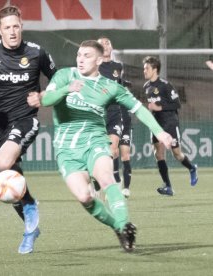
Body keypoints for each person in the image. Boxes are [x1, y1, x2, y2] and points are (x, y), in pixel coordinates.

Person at [27, 40, 173, 252]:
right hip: (66, 148)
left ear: (99, 59)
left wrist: (160, 132)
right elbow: (47, 99)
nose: (80, 59)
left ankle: (125, 225)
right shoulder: (64, 76)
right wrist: (67, 89)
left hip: (95, 141)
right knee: (84, 197)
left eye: (86, 55)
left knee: (106, 178)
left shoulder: (110, 87)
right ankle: (117, 226)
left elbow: (139, 108)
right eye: (79, 55)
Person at [0, 6, 57, 254]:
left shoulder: (36, 53)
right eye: (7, 27)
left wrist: (43, 96)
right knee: (8, 174)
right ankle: (30, 227)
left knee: (3, 163)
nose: (12, 31)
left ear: (22, 26)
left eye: (16, 26)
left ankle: (29, 207)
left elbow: (58, 80)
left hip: (25, 119)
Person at [143, 56, 198, 196]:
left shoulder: (165, 85)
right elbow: (152, 106)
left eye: (147, 68)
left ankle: (192, 168)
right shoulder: (146, 87)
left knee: (177, 154)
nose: (144, 71)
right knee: (158, 154)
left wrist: (158, 107)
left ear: (155, 69)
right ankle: (168, 186)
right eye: (144, 68)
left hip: (170, 123)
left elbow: (177, 104)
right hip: (156, 125)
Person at [97, 36, 133, 198]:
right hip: (98, 113)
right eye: (102, 43)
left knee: (113, 150)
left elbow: (120, 86)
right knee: (99, 152)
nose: (105, 45)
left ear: (111, 48)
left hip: (114, 112)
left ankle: (114, 184)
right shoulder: (94, 66)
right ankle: (97, 184)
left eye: (108, 43)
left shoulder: (118, 66)